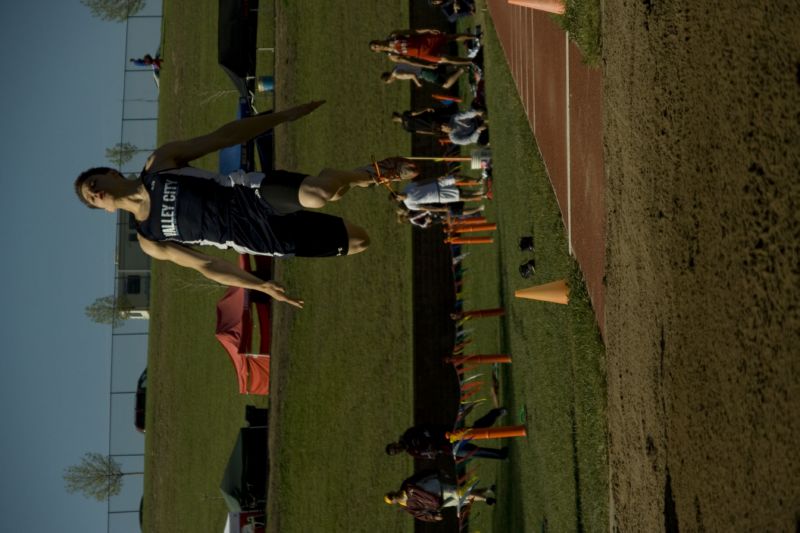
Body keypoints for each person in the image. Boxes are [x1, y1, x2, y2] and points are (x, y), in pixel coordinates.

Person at [74, 101, 418, 308]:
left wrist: (281, 116)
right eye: (92, 199)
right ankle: (343, 178)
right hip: (255, 237)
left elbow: (224, 136)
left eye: (93, 185)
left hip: (247, 195)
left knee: (318, 194)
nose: (96, 193)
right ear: (105, 210)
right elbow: (207, 265)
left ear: (111, 172)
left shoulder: (159, 163)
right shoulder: (149, 240)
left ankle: (366, 175)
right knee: (359, 240)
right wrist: (261, 285)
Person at [386, 410, 508, 460]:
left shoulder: (409, 434)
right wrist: (433, 452)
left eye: (394, 447)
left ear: (394, 443)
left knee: (476, 429)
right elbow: (431, 455)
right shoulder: (413, 452)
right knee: (475, 452)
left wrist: (434, 439)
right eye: (395, 452)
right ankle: (502, 455)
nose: (397, 449)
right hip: (450, 448)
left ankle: (496, 413)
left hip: (449, 435)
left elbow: (427, 428)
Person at [384, 470, 495, 522]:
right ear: (393, 503)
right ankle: (488, 489)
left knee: (460, 494)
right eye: (391, 499)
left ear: (392, 492)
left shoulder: (406, 485)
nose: (393, 497)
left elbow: (421, 474)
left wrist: (437, 473)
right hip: (438, 503)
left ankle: (487, 499)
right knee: (463, 499)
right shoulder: (407, 507)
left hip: (437, 488)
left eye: (391, 495)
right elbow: (421, 515)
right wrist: (434, 517)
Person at [370, 29, 478, 67]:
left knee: (450, 37)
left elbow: (413, 31)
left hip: (424, 41)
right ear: (378, 51)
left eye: (375, 43)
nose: (377, 45)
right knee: (447, 59)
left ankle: (476, 36)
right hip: (424, 54)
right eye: (375, 47)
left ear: (378, 40)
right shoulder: (392, 56)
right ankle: (472, 61)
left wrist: (427, 30)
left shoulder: (393, 35)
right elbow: (411, 61)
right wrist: (426, 65)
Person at [393, 175, 486, 212]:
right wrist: (440, 209)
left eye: (397, 193)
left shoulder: (408, 187)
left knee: (456, 177)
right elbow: (425, 208)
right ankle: (483, 196)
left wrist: (435, 179)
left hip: (437, 183)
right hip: (439, 197)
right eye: (397, 196)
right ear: (398, 200)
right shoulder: (409, 205)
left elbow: (423, 182)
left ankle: (477, 181)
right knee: (462, 197)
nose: (399, 195)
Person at [381, 64, 466, 89]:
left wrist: (417, 83)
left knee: (446, 84)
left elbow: (412, 75)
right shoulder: (396, 67)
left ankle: (462, 70)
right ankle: (465, 64)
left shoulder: (397, 75)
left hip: (424, 73)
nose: (391, 82)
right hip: (423, 66)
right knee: (445, 69)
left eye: (389, 82)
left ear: (389, 78)